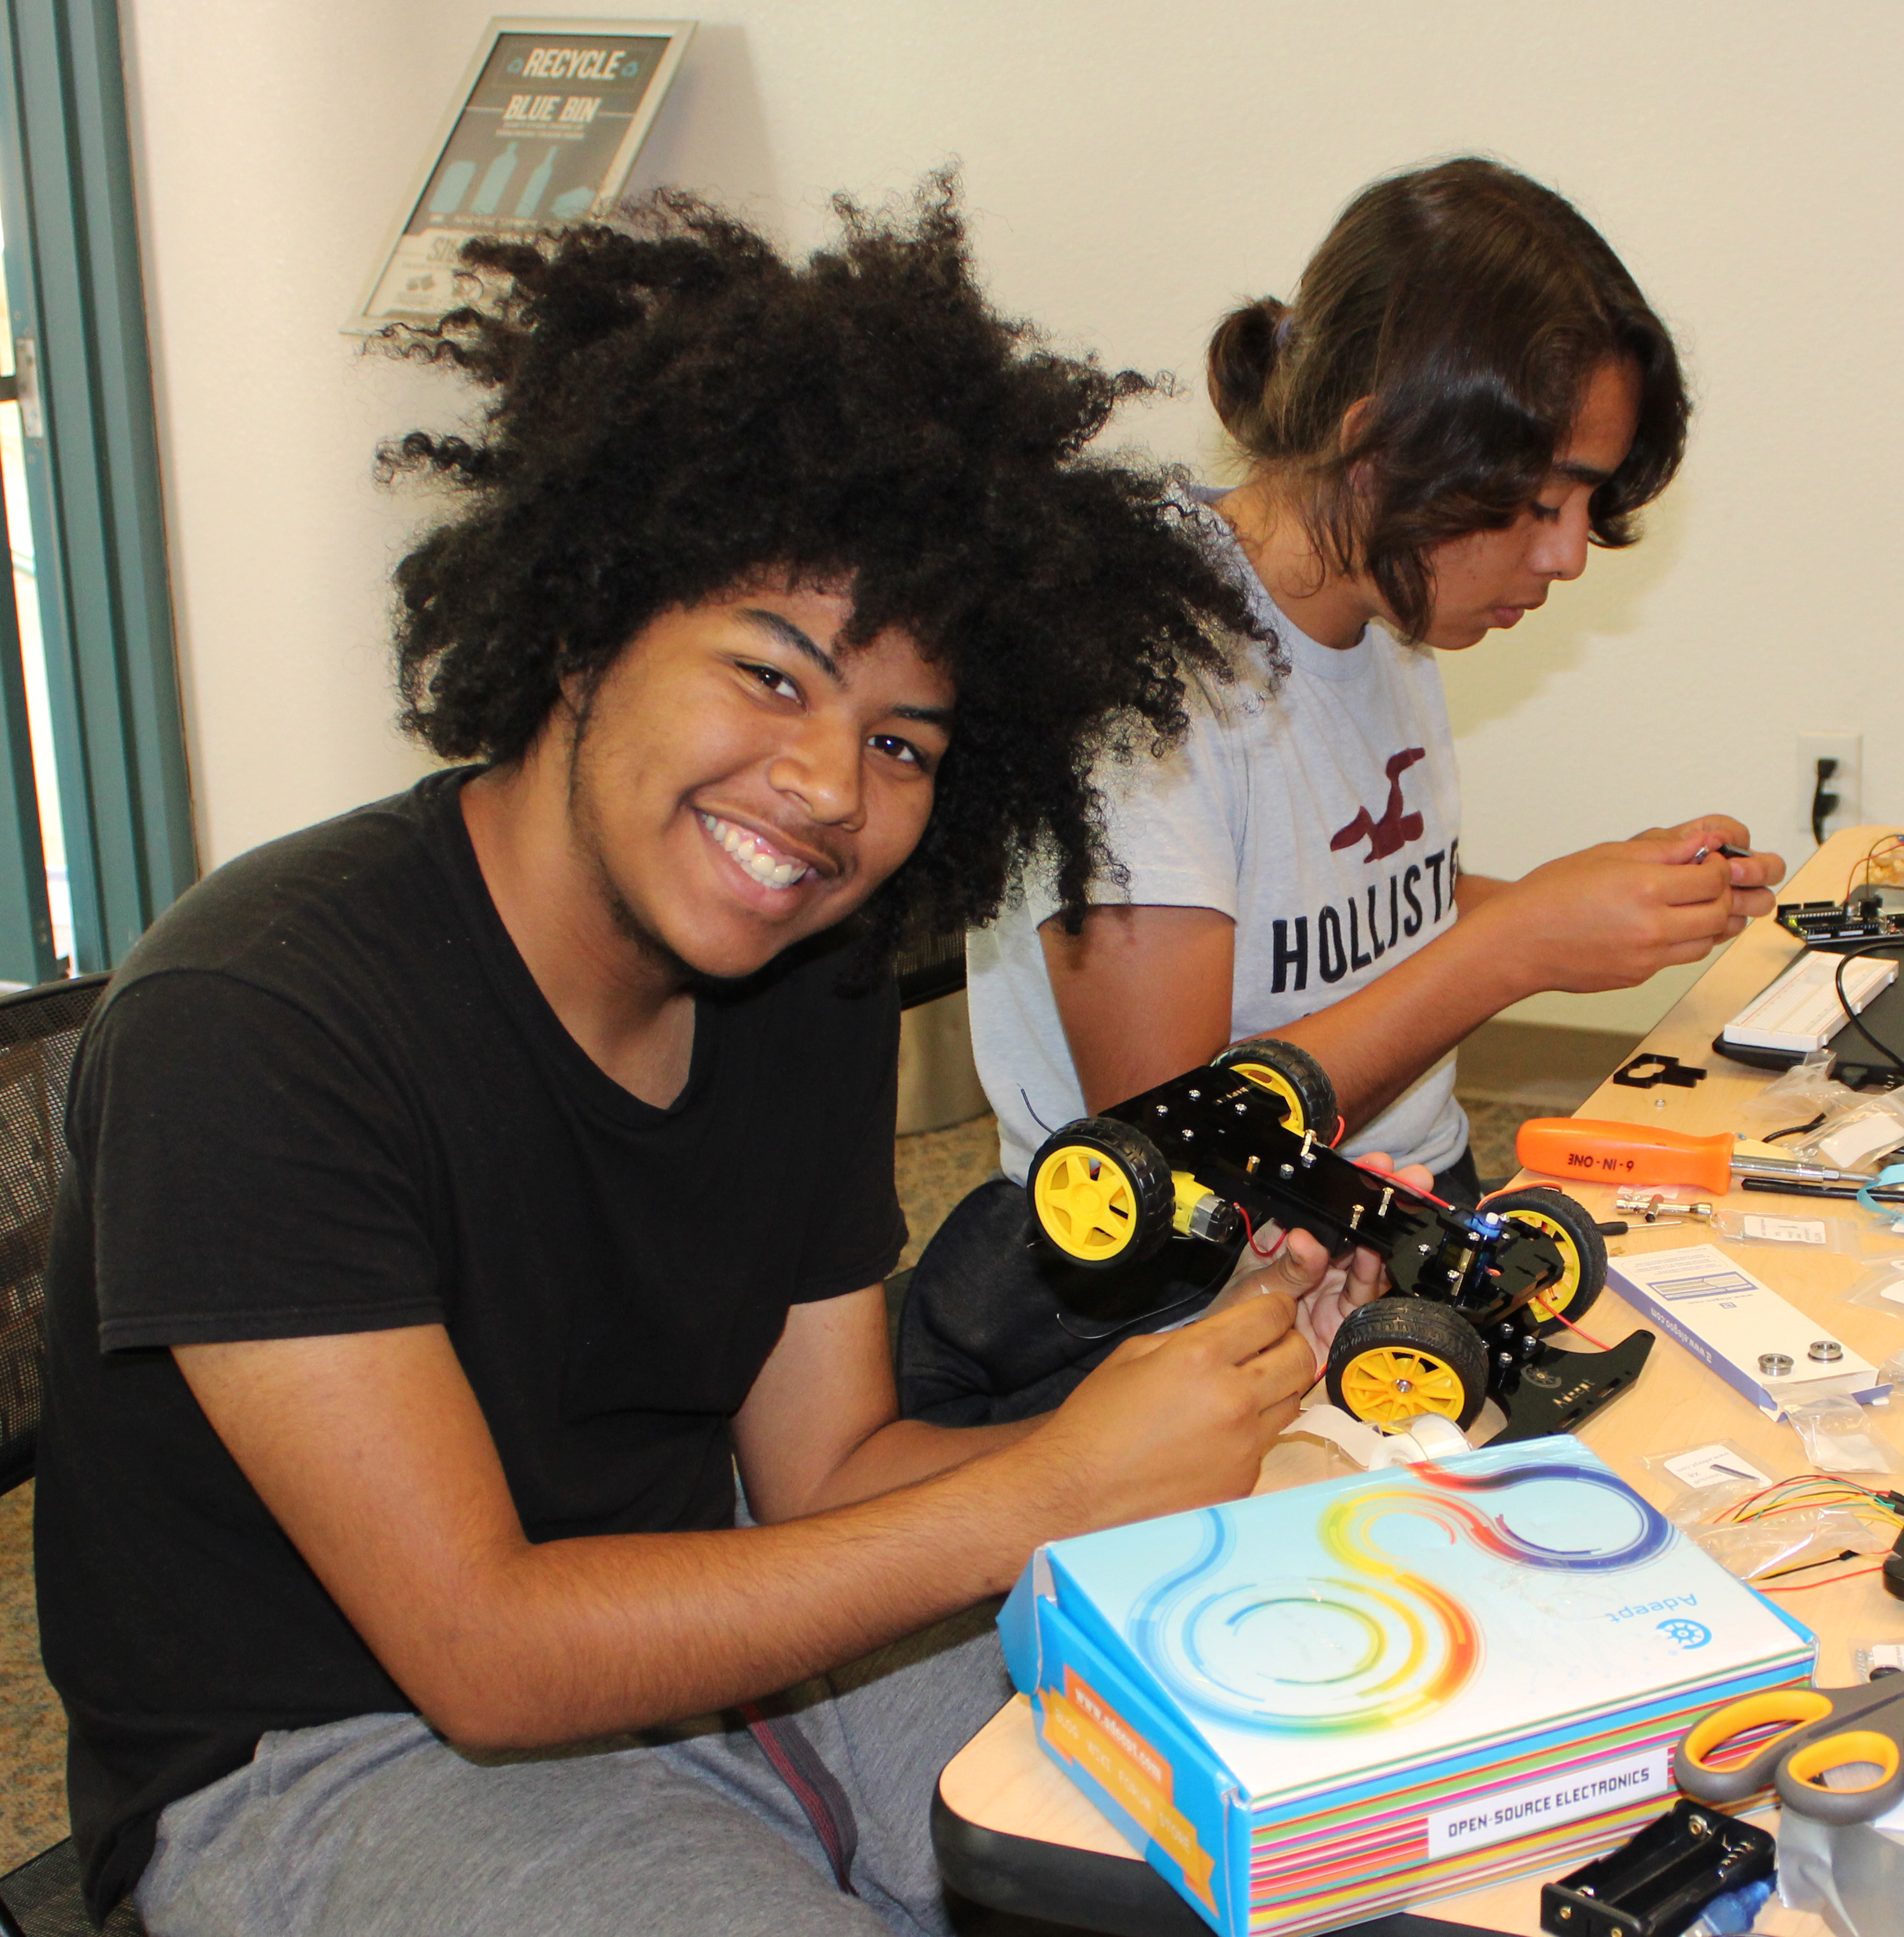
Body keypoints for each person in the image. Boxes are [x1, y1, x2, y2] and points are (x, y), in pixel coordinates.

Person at [34, 185, 1415, 1937]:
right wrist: (1060, 1492)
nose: (832, 790)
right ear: (584, 629)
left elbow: (829, 1475)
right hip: (335, 1755)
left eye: (900, 738)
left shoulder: (800, 975)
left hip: (720, 1639)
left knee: (1337, 1807)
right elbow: (484, 1654)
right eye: (770, 676)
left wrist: (1192, 1412)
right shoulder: (258, 1025)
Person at [900, 157, 1784, 1425]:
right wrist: (1518, 944)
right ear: (1376, 449)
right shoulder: (1142, 670)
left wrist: (1586, 906)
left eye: (1590, 501)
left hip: (1391, 1195)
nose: (1572, 553)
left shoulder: (1385, 599)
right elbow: (1178, 1127)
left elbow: (1360, 901)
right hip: (1190, 1280)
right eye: (1540, 501)